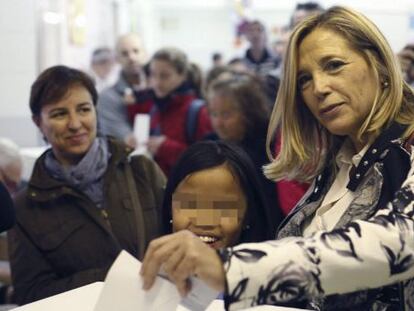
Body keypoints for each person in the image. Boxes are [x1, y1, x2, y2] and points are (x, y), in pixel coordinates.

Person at [140, 6, 414, 310]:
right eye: (304, 80)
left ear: (380, 66)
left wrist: (230, 269)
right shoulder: (338, 162)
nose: (319, 88)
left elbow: (398, 241)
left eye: (334, 65)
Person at [8, 66, 165, 305]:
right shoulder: (27, 207)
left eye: (84, 109)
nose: (75, 124)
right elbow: (31, 294)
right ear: (38, 123)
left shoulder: (141, 170)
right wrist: (107, 278)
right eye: (59, 114)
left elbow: (181, 242)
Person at [206, 73, 284, 232]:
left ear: (248, 113)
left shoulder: (268, 151)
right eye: (214, 114)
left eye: (226, 114)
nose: (218, 123)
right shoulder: (209, 145)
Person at [162, 141, 273, 249]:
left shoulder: (270, 266)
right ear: (170, 208)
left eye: (223, 207)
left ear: (248, 216)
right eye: (191, 205)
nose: (204, 221)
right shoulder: (150, 266)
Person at [127, 47, 212, 176]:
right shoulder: (155, 107)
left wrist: (167, 148)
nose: (157, 82)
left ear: (182, 75)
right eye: (153, 74)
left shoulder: (199, 112)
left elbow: (209, 161)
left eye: (165, 76)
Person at [97, 33, 150, 145]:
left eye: (136, 51)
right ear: (117, 59)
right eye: (125, 54)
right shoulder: (107, 98)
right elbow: (128, 140)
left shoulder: (159, 91)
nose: (131, 57)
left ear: (145, 53)